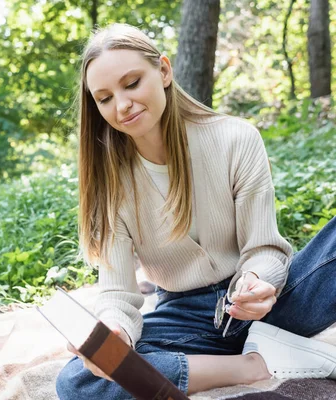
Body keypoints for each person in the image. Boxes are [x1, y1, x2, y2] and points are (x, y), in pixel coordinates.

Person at [56, 23, 336, 398]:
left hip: (272, 304)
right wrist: (116, 334)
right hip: (187, 319)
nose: (121, 105)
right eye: (104, 98)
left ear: (164, 71)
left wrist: (259, 282)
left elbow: (265, 247)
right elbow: (117, 295)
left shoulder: (236, 138)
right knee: (80, 380)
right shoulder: (111, 183)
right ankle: (253, 364)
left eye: (132, 82)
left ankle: (273, 338)